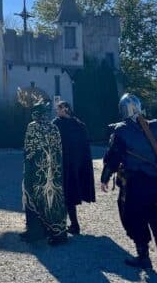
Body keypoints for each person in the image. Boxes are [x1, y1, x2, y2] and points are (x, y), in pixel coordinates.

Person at [100, 93, 157, 270]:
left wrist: (105, 178)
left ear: (123, 109)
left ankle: (144, 257)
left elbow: (112, 158)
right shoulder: (156, 127)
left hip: (134, 182)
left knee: (133, 217)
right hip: (155, 181)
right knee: (152, 211)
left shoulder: (121, 130)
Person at [20, 99, 68, 245]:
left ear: (36, 114)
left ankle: (35, 232)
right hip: (54, 173)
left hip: (36, 172)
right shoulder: (54, 128)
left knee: (32, 197)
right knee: (54, 201)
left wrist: (27, 171)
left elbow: (29, 152)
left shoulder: (33, 127)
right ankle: (58, 232)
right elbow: (59, 152)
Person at [52, 100, 95, 235]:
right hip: (68, 165)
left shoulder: (70, 125)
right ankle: (70, 224)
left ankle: (71, 225)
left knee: (67, 194)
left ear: (65, 109)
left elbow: (83, 147)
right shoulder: (74, 125)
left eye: (58, 109)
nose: (56, 111)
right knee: (66, 195)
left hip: (69, 165)